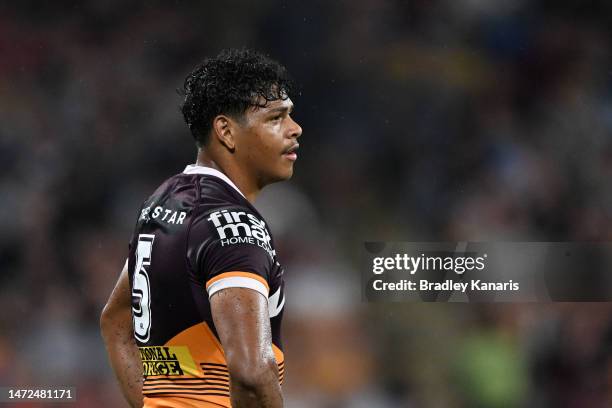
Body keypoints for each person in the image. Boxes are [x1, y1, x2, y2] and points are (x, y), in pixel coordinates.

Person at [100, 48, 302, 408]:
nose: (295, 129)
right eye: (276, 117)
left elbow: (116, 325)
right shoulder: (233, 224)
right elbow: (253, 372)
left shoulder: (163, 203)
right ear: (226, 131)